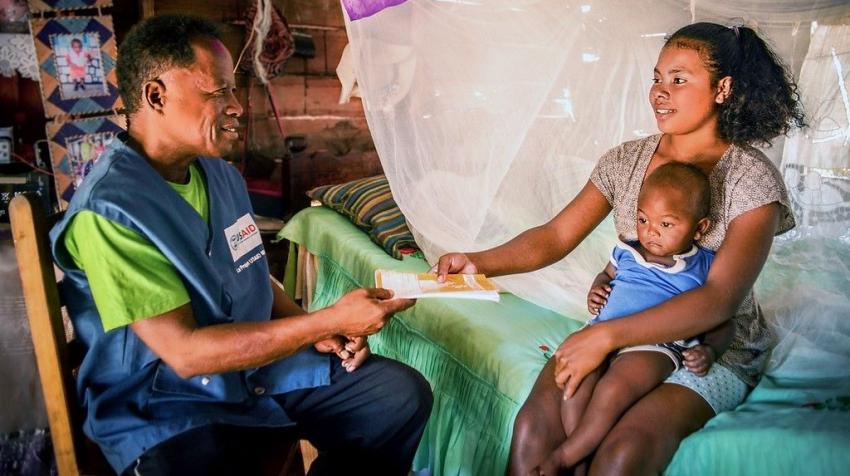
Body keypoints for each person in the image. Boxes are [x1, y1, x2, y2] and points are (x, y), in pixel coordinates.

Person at [49, 15, 432, 476]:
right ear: (156, 96)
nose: (236, 106)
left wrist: (315, 329)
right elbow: (187, 354)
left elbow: (251, 272)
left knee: (395, 397)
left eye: (234, 90)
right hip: (167, 403)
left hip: (253, 372)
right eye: (219, 92)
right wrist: (328, 319)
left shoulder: (220, 177)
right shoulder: (109, 213)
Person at [434, 22, 802, 475]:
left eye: (678, 79)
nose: (659, 93)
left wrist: (602, 337)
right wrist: (477, 262)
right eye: (657, 78)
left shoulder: (751, 180)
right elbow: (554, 237)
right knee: (534, 428)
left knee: (621, 451)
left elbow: (718, 299)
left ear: (722, 88)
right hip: (619, 324)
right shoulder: (626, 161)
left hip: (708, 346)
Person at [534, 162, 735, 474]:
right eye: (643, 219)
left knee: (613, 389)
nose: (650, 231)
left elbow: (722, 317)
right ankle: (583, 454)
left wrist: (709, 350)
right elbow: (607, 273)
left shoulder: (703, 265)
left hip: (654, 344)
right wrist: (598, 287)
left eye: (666, 224)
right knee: (575, 384)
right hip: (603, 332)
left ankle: (564, 457)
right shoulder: (627, 249)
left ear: (699, 228)